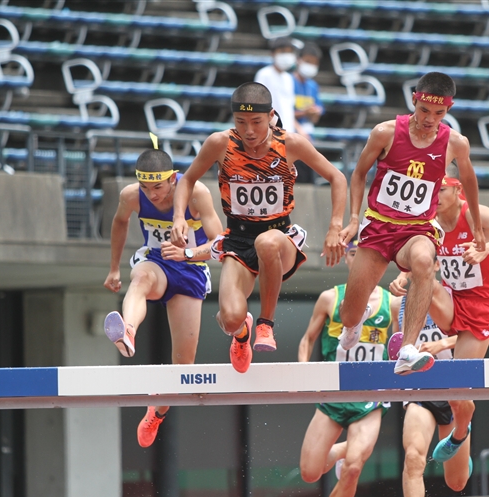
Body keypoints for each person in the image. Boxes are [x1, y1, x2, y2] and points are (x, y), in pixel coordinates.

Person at [171, 82, 353, 374]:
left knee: (266, 243)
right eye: (241, 123)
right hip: (238, 239)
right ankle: (242, 333)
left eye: (256, 122)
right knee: (229, 318)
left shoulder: (290, 143)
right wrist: (179, 215)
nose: (249, 131)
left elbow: (337, 177)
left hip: (280, 239)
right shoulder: (220, 143)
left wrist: (335, 226)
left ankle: (266, 324)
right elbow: (188, 179)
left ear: (271, 116)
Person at [337, 71, 485, 377]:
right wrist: (353, 218)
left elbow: (470, 181)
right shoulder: (385, 132)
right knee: (348, 314)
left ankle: (408, 348)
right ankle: (356, 320)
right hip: (378, 226)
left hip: (416, 229)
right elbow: (359, 173)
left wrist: (480, 229)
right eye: (424, 111)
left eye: (439, 113)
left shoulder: (455, 144)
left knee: (423, 260)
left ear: (449, 110)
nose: (430, 119)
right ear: (414, 101)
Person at [390, 173, 489, 470]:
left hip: (481, 308)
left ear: (457, 190)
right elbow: (418, 255)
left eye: (441, 189)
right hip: (452, 302)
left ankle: (460, 431)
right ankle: (408, 347)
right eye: (433, 190)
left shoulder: (474, 215)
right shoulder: (430, 222)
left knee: (456, 392)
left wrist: (486, 248)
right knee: (422, 275)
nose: (436, 196)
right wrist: (401, 277)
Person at [102, 139, 222, 447]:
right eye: (145, 187)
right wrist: (114, 267)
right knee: (139, 278)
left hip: (190, 270)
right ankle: (128, 330)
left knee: (184, 367)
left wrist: (188, 253)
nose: (152, 195)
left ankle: (157, 411)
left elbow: (221, 244)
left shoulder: (197, 195)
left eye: (158, 188)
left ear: (173, 179)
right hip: (156, 263)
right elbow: (119, 223)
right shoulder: (132, 196)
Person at [297, 239, 393, 497]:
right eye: (352, 253)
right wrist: (303, 373)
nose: (359, 258)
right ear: (348, 259)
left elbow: (405, 343)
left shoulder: (394, 302)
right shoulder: (329, 298)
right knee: (310, 473)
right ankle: (343, 450)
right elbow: (307, 340)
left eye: (365, 253)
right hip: (333, 394)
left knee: (353, 468)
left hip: (370, 398)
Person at [389, 292, 471, 497]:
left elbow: (476, 334)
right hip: (420, 389)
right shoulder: (399, 302)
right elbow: (396, 347)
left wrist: (443, 343)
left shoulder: (454, 295)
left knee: (457, 482)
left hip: (453, 390)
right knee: (414, 457)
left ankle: (462, 437)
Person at [293, 42, 325, 183]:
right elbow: (282, 112)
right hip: (292, 137)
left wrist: (313, 113)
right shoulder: (288, 81)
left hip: (309, 139)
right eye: (307, 61)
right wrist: (304, 113)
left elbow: (317, 116)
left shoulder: (313, 86)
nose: (310, 65)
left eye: (314, 63)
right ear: (298, 60)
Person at [254, 36, 299, 134]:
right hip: (269, 132)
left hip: (287, 132)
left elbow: (289, 109)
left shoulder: (289, 78)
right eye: (282, 51)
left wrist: (298, 129)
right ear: (273, 54)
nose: (286, 55)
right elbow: (257, 103)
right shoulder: (264, 74)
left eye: (289, 52)